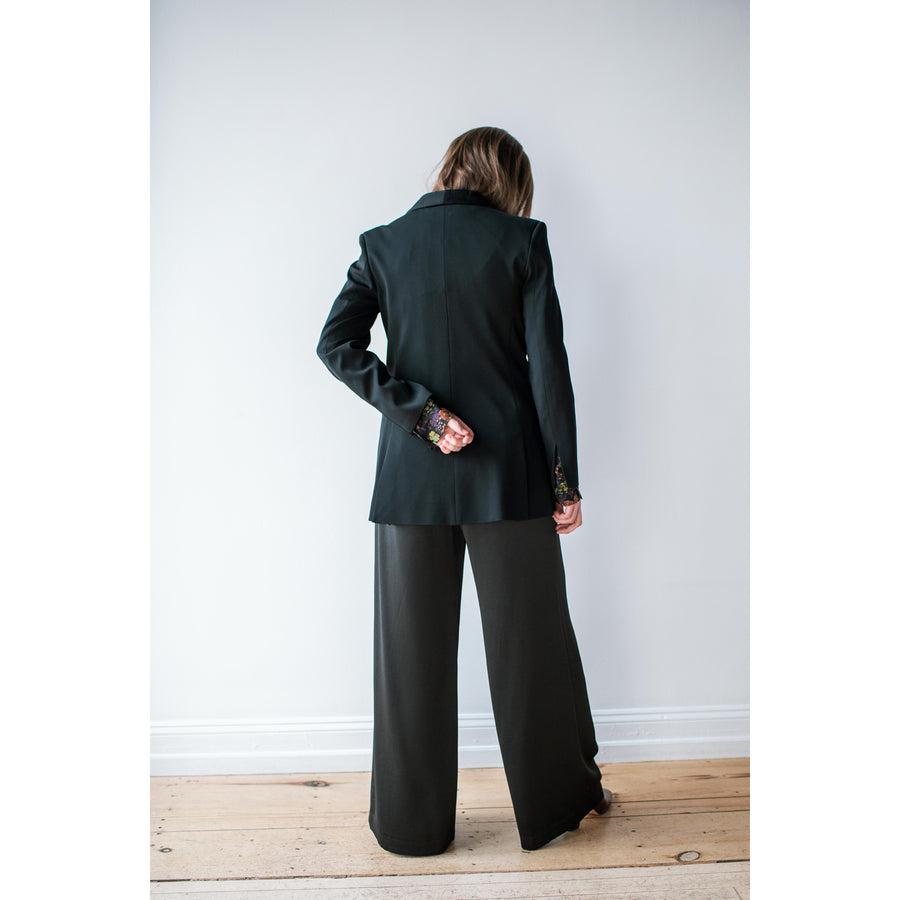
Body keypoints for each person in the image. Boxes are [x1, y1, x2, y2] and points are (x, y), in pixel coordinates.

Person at [316, 126, 611, 855]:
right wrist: (564, 479)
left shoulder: (383, 245)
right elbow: (548, 367)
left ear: (450, 167)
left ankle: (410, 829)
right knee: (532, 645)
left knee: (408, 659)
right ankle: (557, 805)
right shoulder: (523, 240)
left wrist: (420, 414)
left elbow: (336, 345)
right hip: (510, 475)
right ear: (508, 181)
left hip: (410, 482)